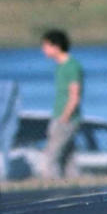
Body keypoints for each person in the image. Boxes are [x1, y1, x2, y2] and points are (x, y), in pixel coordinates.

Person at [41, 29, 84, 179]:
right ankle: (74, 184)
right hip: (60, 115)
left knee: (51, 155)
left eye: (46, 46)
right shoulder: (60, 66)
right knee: (68, 157)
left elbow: (74, 95)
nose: (43, 50)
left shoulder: (71, 66)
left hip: (66, 118)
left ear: (56, 46)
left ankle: (51, 185)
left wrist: (64, 117)